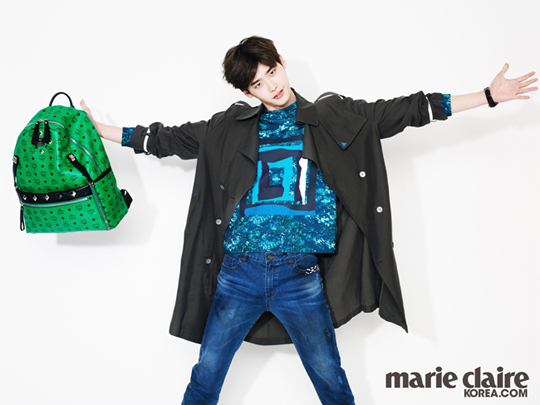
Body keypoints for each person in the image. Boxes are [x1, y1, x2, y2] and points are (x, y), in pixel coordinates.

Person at [82, 36, 537, 405]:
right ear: (247, 93)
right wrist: (100, 131)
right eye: (258, 83)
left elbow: (408, 110)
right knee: (206, 376)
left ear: (281, 62)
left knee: (330, 379)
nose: (272, 86)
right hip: (238, 272)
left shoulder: (332, 116)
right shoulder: (229, 127)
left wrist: (488, 97)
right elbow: (165, 139)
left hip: (299, 274)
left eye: (272, 72)